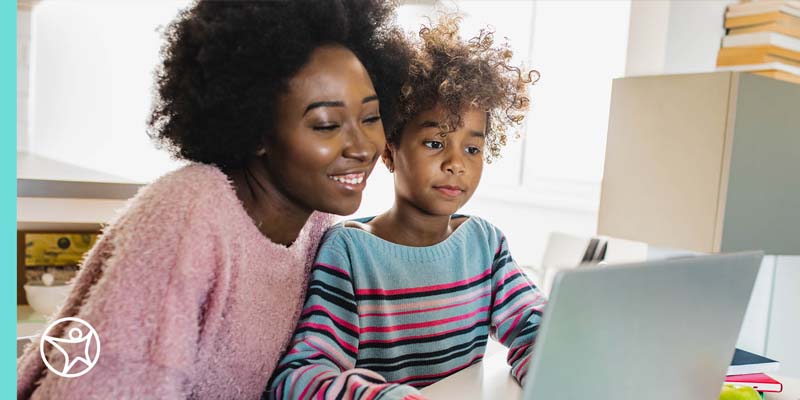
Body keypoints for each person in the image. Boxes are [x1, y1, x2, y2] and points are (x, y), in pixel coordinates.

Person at [16, 1, 410, 398]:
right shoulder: (189, 213)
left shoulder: (315, 225)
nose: (362, 146)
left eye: (371, 118)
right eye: (326, 125)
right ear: (257, 130)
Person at [270, 15, 545, 400]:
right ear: (389, 151)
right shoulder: (349, 252)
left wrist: (549, 368)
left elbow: (538, 328)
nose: (456, 163)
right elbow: (300, 377)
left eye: (472, 148)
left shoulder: (485, 245)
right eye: (435, 143)